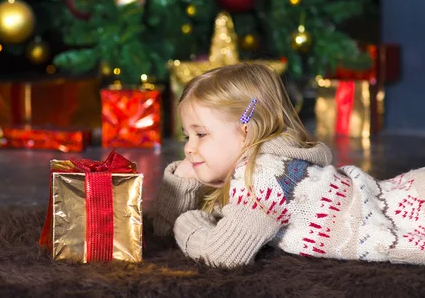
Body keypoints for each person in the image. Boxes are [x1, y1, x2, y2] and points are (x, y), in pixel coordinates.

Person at [152, 62, 425, 268]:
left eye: (201, 134)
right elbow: (162, 235)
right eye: (187, 136)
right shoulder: (248, 167)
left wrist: (186, 222)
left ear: (246, 129)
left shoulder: (263, 177)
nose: (188, 147)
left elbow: (222, 255)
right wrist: (183, 181)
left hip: (408, 212)